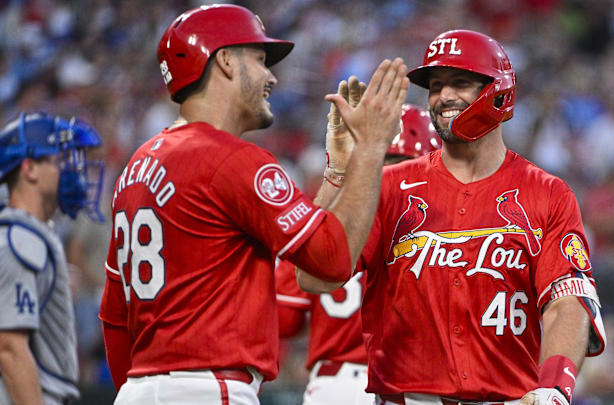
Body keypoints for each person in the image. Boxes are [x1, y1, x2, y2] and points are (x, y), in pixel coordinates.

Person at [98, 4, 408, 405]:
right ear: (225, 61)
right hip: (210, 388)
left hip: (139, 390)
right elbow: (331, 263)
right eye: (261, 60)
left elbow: (114, 319)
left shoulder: (135, 168)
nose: (271, 76)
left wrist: (338, 171)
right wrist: (371, 147)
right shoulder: (233, 159)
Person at [297, 30, 606, 405]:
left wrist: (555, 386)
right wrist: (340, 173)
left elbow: (566, 301)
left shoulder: (547, 193)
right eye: (435, 85)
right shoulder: (388, 187)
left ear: (499, 90)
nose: (444, 96)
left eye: (460, 82)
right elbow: (314, 275)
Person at [275, 103, 441, 405]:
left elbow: (285, 319)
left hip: (333, 385)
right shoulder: (438, 229)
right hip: (407, 383)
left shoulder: (327, 220)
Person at [0, 111, 104, 405]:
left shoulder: (30, 234)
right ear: (29, 168)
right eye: (60, 161)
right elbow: (9, 349)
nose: (71, 171)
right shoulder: (18, 240)